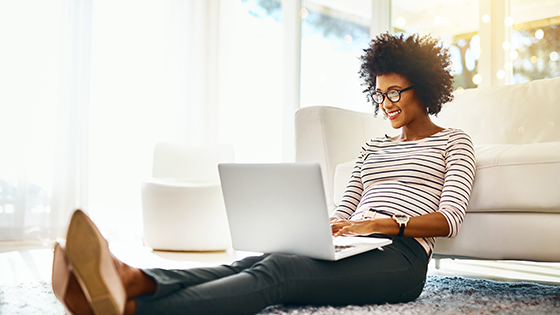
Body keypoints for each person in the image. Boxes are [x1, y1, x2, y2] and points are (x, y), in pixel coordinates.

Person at [51, 33, 476, 315]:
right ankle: (134, 279)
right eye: (380, 94)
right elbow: (345, 208)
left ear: (423, 86)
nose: (386, 102)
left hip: (401, 260)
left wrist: (388, 224)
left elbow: (449, 220)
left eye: (395, 92)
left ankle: (131, 309)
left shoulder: (455, 142)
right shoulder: (372, 148)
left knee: (280, 276)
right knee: (261, 260)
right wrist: (321, 226)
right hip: (350, 245)